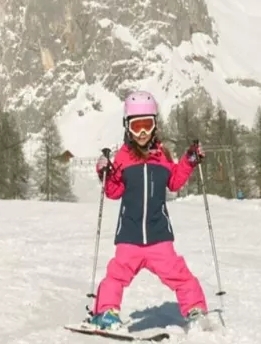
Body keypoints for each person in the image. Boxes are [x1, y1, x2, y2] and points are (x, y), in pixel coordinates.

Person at [89, 91, 210, 330]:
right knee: (116, 275)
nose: (142, 133)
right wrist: (104, 173)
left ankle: (195, 310)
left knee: (180, 274)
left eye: (147, 125)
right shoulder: (122, 158)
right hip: (130, 236)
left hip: (158, 235)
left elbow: (174, 182)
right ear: (128, 127)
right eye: (137, 126)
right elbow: (113, 192)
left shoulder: (162, 156)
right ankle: (106, 312)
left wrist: (188, 161)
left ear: (155, 125)